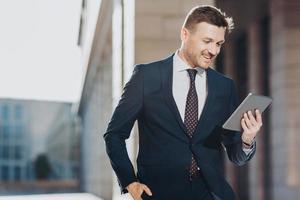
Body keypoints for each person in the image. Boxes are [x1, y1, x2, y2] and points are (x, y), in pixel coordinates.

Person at [104, 5, 262, 200]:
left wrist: (247, 139)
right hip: (158, 193)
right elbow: (114, 135)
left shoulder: (224, 86)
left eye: (219, 44)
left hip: (210, 193)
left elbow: (235, 153)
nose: (213, 50)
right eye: (207, 41)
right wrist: (129, 181)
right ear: (185, 34)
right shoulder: (146, 76)